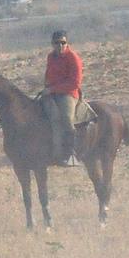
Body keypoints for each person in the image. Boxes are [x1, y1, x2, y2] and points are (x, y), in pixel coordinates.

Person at [43, 29, 84, 167]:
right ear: (52, 44)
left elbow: (75, 83)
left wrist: (52, 89)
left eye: (63, 42)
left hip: (68, 93)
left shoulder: (73, 58)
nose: (60, 46)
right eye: (56, 43)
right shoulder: (51, 57)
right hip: (52, 92)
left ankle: (72, 152)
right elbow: (49, 74)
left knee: (66, 118)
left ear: (67, 43)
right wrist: (47, 87)